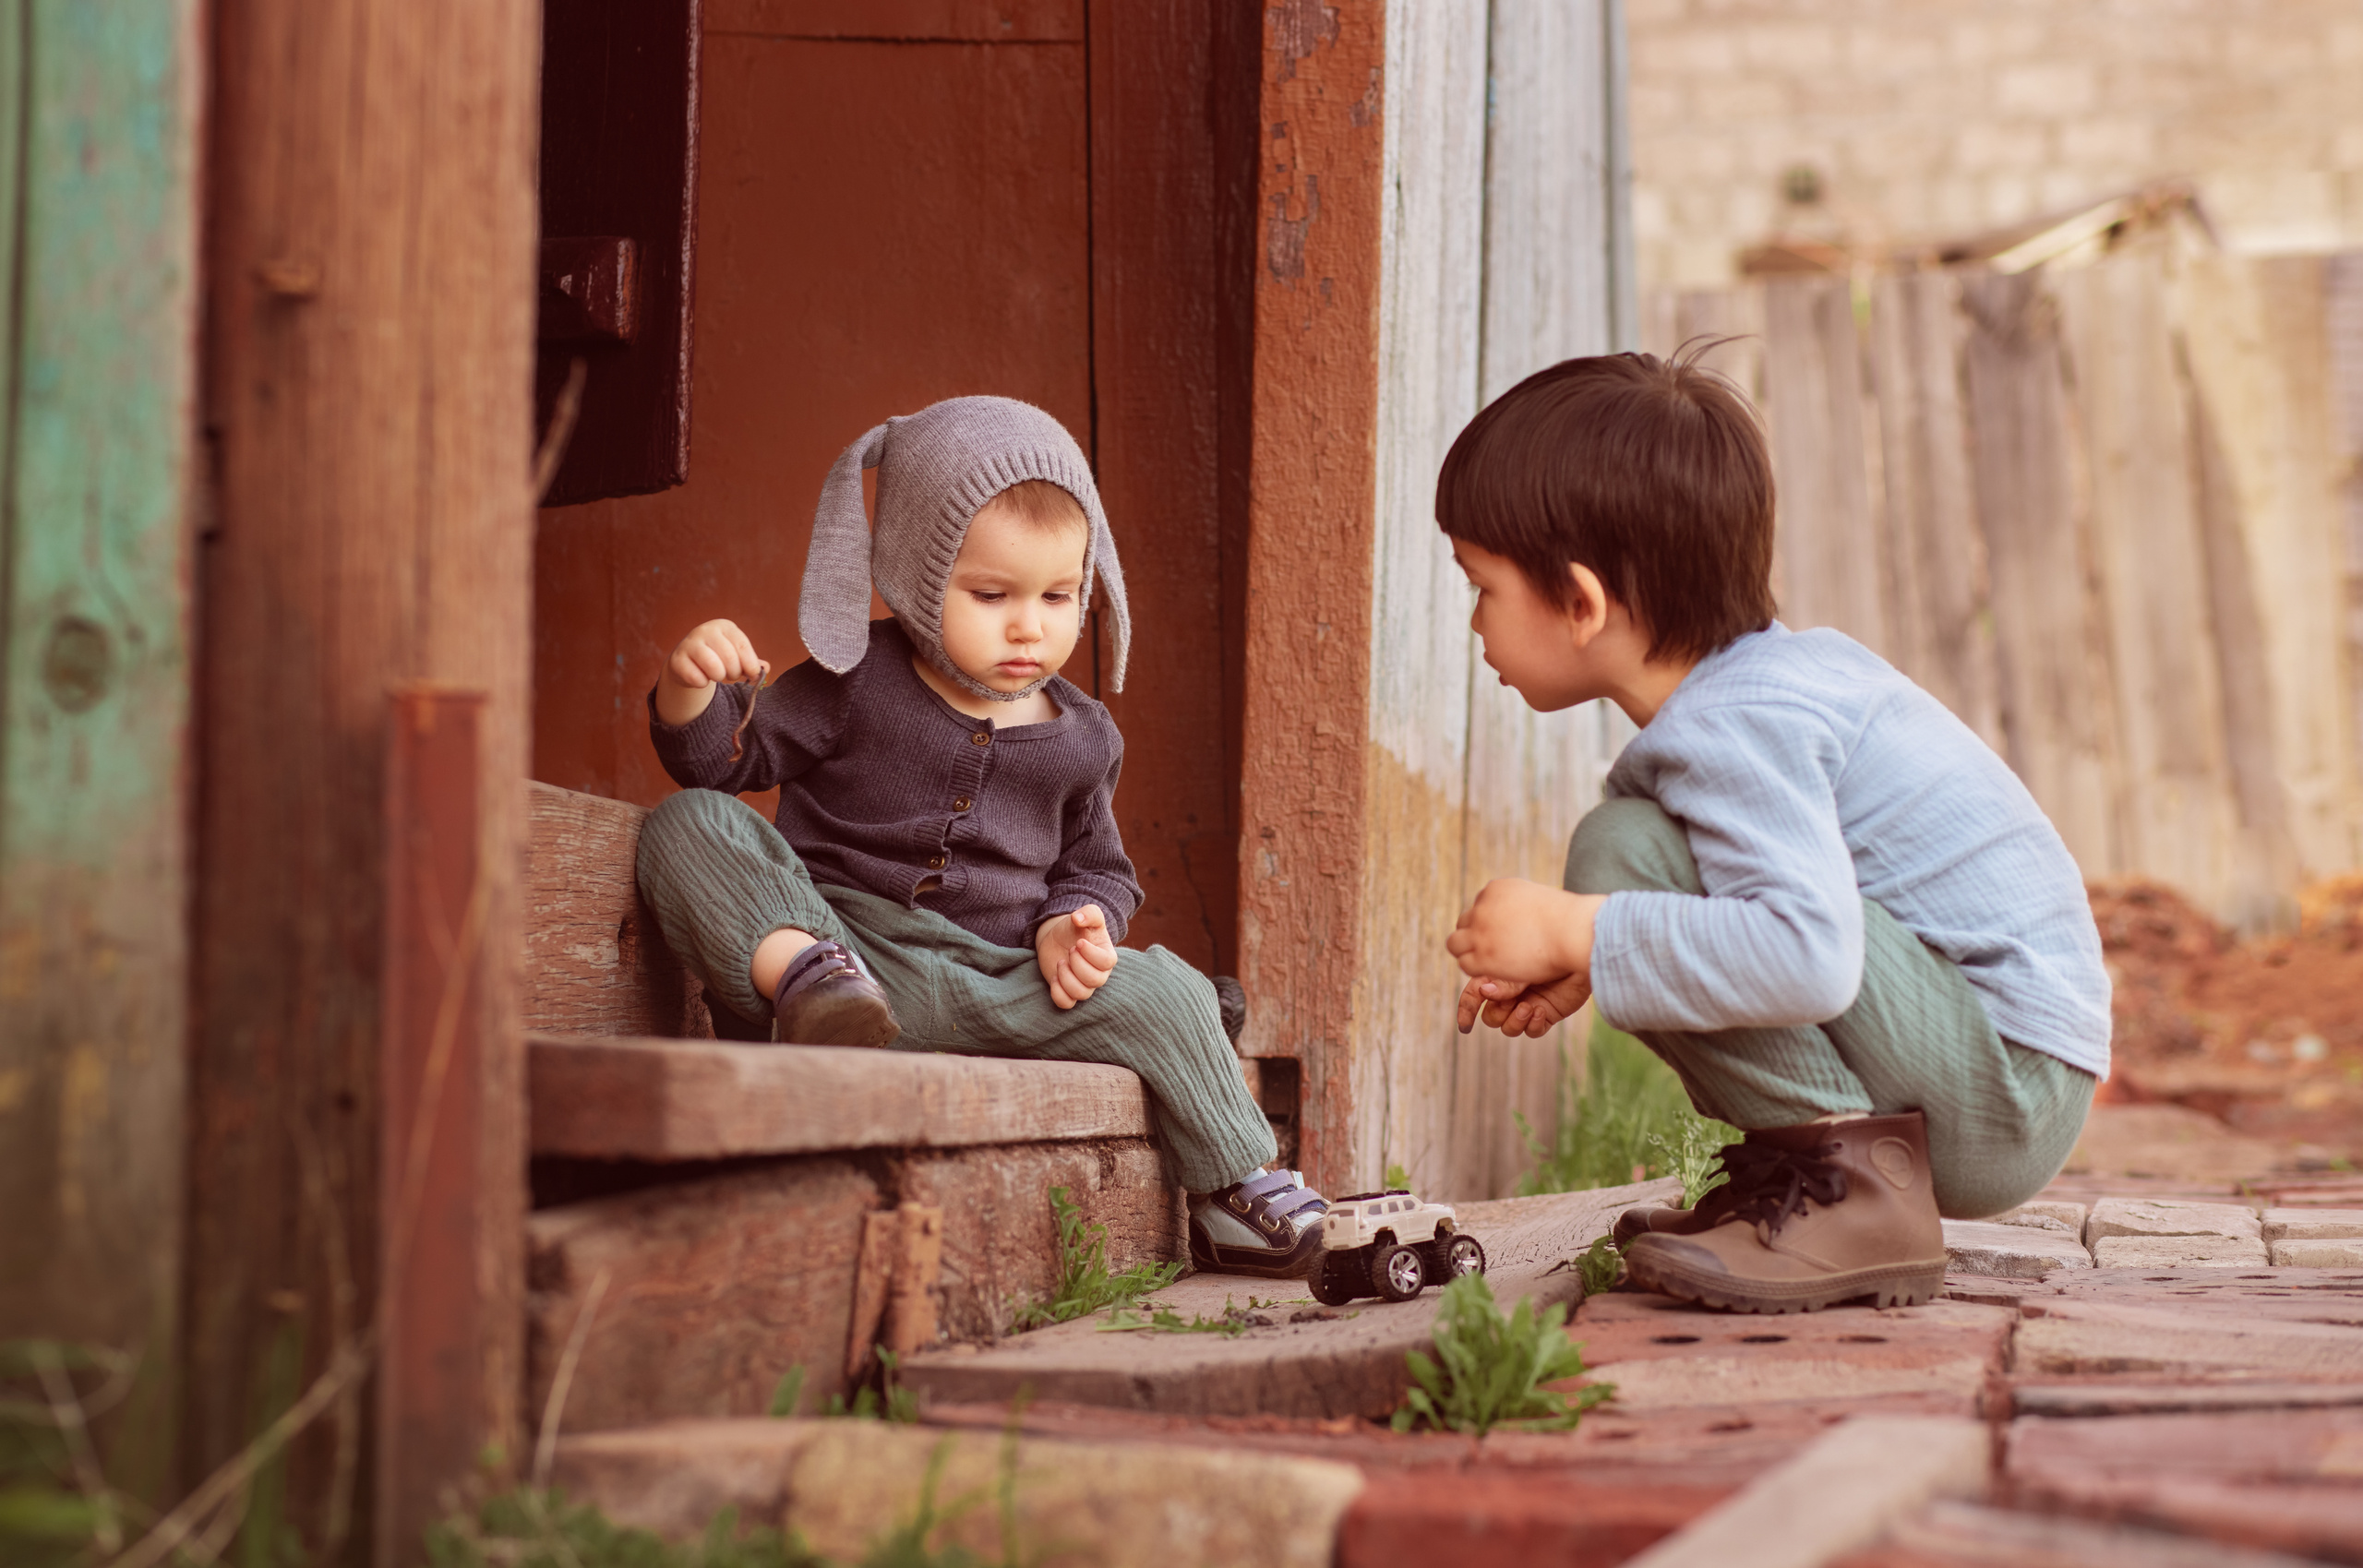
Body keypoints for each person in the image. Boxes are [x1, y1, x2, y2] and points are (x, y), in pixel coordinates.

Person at [1438, 350, 2109, 1314]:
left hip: (2002, 1089)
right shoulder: (1753, 691)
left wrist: (1586, 930)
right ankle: (1807, 1182)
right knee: (1631, 857)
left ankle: (1852, 1194)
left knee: (1619, 859)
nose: (1474, 623)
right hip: (1988, 1060)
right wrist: (1603, 953)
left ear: (1581, 604)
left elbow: (1809, 958)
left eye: (1482, 586)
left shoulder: (1739, 721)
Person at [632, 395, 1326, 1278]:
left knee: (1169, 985)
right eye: (991, 594)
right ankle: (802, 981)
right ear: (919, 576)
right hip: (851, 952)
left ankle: (1234, 1186)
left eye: (1059, 595)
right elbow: (720, 768)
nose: (1030, 625)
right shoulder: (855, 682)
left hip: (999, 982)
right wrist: (688, 694)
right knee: (691, 826)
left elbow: (1099, 870)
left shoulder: (1084, 735)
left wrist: (1072, 926)